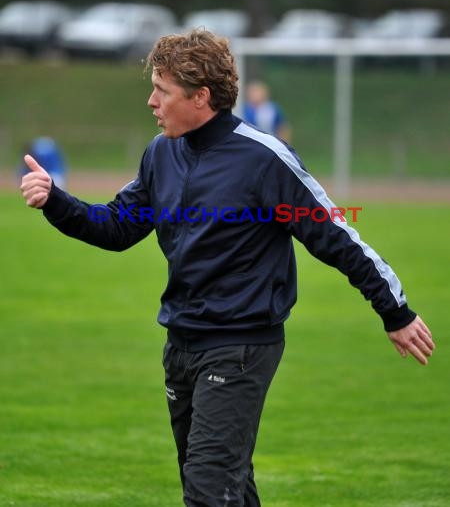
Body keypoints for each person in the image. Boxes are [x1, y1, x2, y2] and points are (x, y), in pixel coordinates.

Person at [20, 29, 434, 507]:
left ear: (201, 96)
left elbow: (336, 236)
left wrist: (395, 311)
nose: (152, 102)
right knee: (226, 488)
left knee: (207, 490)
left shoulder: (263, 158)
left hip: (241, 345)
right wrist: (55, 200)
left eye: (162, 90)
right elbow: (116, 228)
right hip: (181, 342)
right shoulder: (161, 153)